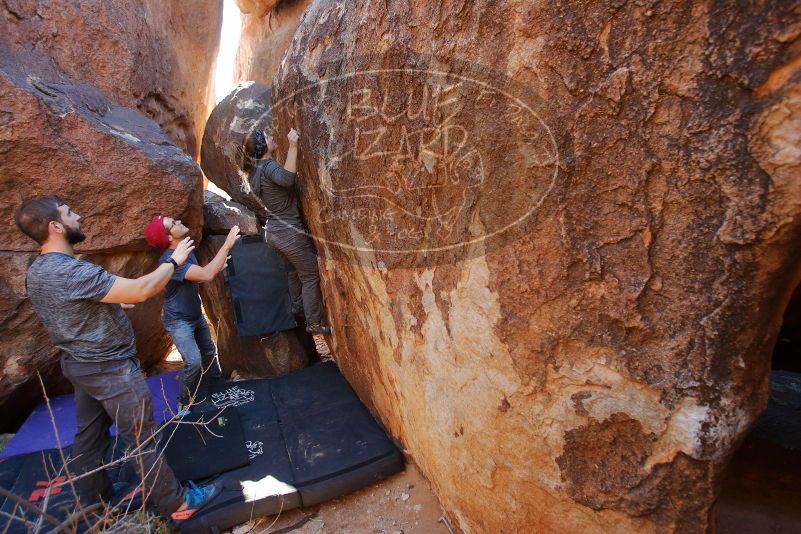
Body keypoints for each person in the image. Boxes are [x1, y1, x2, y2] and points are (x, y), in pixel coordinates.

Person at [15, 196, 220, 524]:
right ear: (55, 227)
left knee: (89, 436)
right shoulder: (71, 271)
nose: (78, 215)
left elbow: (66, 308)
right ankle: (178, 503)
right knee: (140, 437)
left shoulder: (37, 270)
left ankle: (94, 500)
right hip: (110, 368)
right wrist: (174, 260)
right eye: (69, 213)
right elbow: (141, 289)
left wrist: (108, 304)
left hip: (80, 364)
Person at [242, 126, 332, 335]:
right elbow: (287, 179)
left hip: (273, 233)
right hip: (288, 233)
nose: (272, 136)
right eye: (267, 136)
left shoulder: (256, 171)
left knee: (293, 271)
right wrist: (293, 146)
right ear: (263, 146)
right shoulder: (268, 166)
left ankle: (297, 306)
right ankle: (313, 322)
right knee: (309, 275)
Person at [144, 215, 240, 409]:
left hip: (194, 314)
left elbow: (200, 275)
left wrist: (217, 266)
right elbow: (206, 274)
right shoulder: (170, 261)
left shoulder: (186, 251)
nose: (179, 221)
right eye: (174, 224)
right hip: (178, 320)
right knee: (194, 361)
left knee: (208, 353)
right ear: (169, 238)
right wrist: (227, 245)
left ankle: (218, 389)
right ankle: (185, 402)